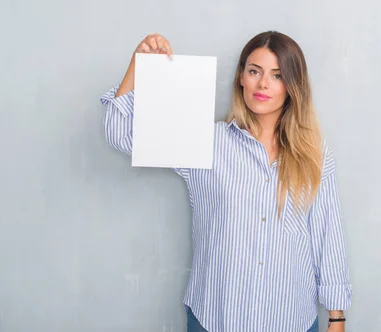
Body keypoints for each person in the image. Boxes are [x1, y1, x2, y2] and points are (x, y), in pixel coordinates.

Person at [100, 31, 352, 332]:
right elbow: (120, 134)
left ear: (292, 86)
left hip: (292, 320)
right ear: (241, 77)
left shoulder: (315, 154)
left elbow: (328, 235)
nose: (262, 84)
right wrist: (140, 65)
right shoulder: (206, 141)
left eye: (277, 75)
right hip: (215, 319)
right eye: (254, 71)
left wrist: (337, 318)